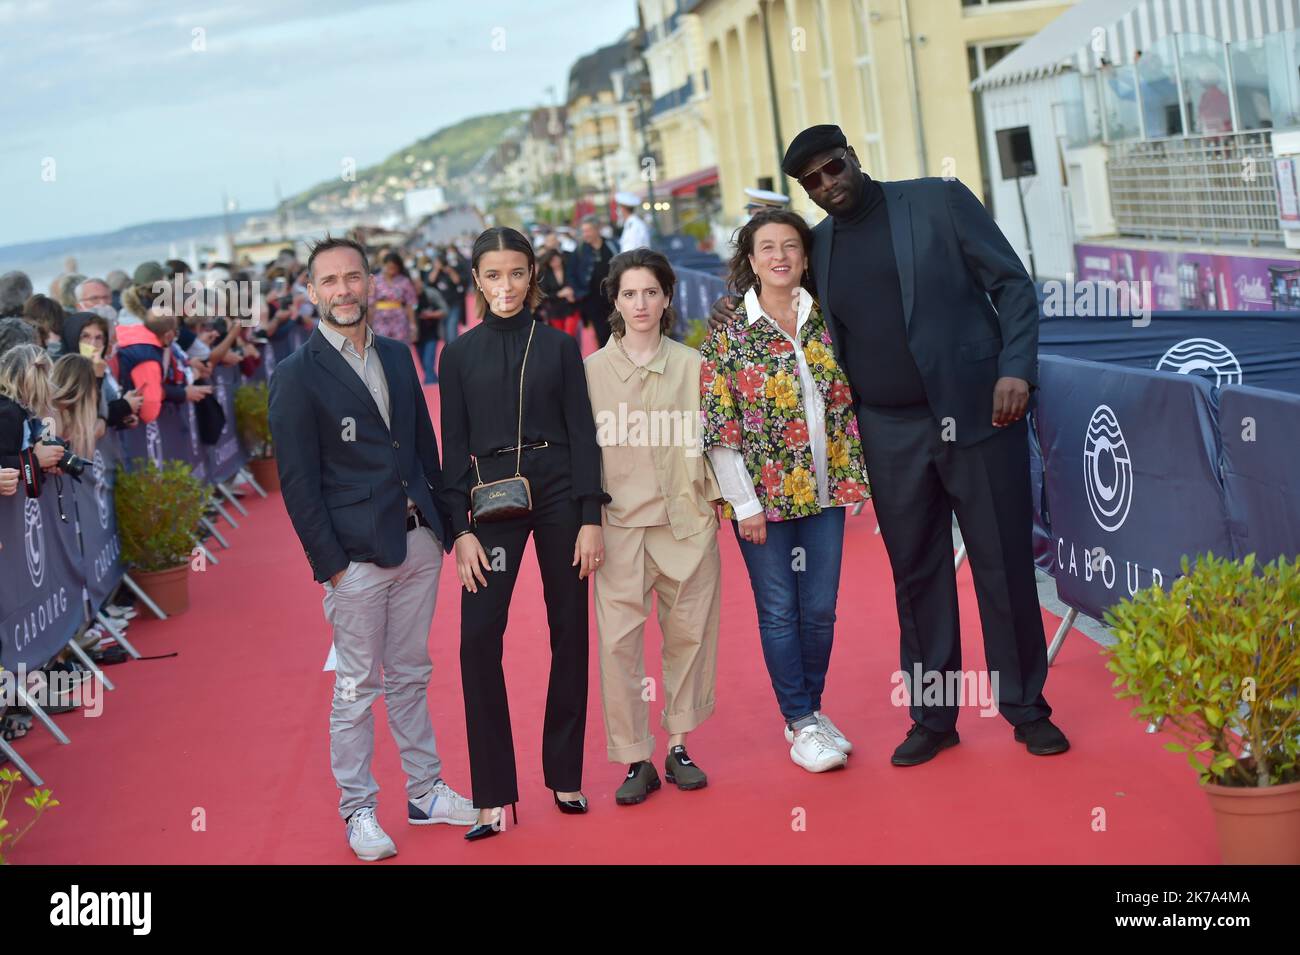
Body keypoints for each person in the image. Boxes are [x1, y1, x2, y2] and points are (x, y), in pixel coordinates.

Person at [711, 124, 1069, 765]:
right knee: (917, 575)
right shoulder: (818, 248)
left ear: (852, 157)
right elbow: (779, 300)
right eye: (812, 180)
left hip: (979, 413)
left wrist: (1017, 368)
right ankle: (934, 717)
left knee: (1003, 565)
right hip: (887, 430)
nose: (828, 183)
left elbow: (1012, 285)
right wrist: (728, 314)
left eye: (833, 167)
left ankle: (1026, 709)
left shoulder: (938, 200)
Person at [268, 234, 475, 862]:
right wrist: (331, 568)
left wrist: (444, 523)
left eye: (353, 278)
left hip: (417, 543)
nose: (344, 291)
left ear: (370, 284)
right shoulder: (295, 376)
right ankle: (358, 810)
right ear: (311, 293)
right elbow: (298, 483)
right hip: (355, 560)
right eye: (329, 282)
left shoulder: (395, 353)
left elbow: (420, 445)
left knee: (412, 674)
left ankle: (426, 791)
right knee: (357, 688)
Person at [438, 226, 607, 840]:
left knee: (570, 629)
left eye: (516, 273)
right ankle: (492, 795)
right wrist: (459, 531)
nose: (505, 286)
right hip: (491, 500)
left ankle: (565, 773)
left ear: (532, 274)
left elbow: (583, 433)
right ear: (476, 281)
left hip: (560, 491)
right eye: (493, 275)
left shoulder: (560, 347)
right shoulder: (456, 354)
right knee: (478, 640)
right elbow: (450, 448)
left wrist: (591, 515)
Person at [701, 208, 870, 774]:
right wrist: (743, 504)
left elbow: (843, 401)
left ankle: (811, 713)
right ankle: (799, 720)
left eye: (791, 246)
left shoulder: (828, 319)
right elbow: (719, 426)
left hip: (824, 491)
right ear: (750, 261)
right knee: (779, 611)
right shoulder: (729, 331)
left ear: (805, 255)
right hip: (762, 502)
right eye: (767, 247)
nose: (780, 257)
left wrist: (855, 475)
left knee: (820, 611)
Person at [584, 248, 723, 803]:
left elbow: (718, 442)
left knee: (690, 636)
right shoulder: (590, 374)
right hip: (617, 529)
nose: (640, 303)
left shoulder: (693, 365)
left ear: (667, 298)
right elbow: (580, 457)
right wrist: (584, 521)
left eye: (650, 292)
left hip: (685, 524)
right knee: (618, 645)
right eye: (629, 294)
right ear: (615, 303)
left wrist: (721, 504)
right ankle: (634, 757)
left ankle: (679, 744)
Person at [570, 216, 619, 348]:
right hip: (592, 299)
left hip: (613, 297)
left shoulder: (612, 245)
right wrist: (579, 293)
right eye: (583, 231)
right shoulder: (580, 250)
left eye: (588, 230)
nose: (585, 234)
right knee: (601, 333)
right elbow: (572, 273)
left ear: (597, 230)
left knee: (619, 330)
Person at [368, 253, 418, 343]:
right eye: (389, 267)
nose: (391, 270)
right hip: (380, 320)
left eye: (394, 267)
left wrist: (413, 326)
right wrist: (368, 325)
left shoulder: (404, 281)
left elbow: (410, 304)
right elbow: (371, 304)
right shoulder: (376, 280)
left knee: (400, 348)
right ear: (384, 265)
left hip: (399, 321)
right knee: (382, 347)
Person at [537, 248, 581, 339]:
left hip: (571, 307)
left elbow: (579, 284)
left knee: (569, 335)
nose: (555, 262)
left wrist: (573, 293)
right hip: (555, 310)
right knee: (560, 337)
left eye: (556, 259)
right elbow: (544, 295)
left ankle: (571, 352)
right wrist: (559, 294)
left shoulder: (569, 268)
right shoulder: (545, 274)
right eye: (552, 261)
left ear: (560, 257)